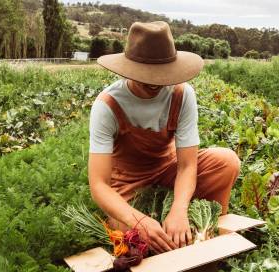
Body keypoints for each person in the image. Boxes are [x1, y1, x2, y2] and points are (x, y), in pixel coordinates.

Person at [88, 21, 240, 254]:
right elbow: (99, 184)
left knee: (227, 161)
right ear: (130, 68)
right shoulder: (107, 105)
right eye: (147, 74)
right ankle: (155, 224)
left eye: (161, 73)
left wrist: (179, 208)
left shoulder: (182, 94)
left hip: (169, 171)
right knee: (135, 242)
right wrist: (138, 221)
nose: (155, 82)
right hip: (129, 186)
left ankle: (209, 230)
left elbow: (187, 165)